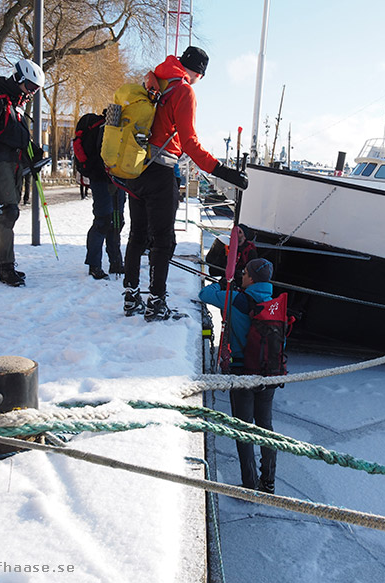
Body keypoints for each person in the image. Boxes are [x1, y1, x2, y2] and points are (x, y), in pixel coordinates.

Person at [122, 46, 249, 321]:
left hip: (136, 167)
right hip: (160, 171)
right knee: (163, 241)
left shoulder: (156, 77)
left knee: (137, 235)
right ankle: (156, 303)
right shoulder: (183, 90)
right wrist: (222, 171)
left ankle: (131, 297)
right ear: (199, 72)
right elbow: (189, 142)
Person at [199, 258, 277, 493]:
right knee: (265, 426)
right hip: (269, 373)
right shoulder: (274, 302)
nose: (242, 276)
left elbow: (205, 293)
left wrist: (224, 283)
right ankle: (269, 481)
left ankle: (250, 484)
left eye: (244, 273)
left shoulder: (237, 299)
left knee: (243, 429)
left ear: (250, 278)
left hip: (242, 372)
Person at [0, 58, 44, 287]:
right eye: (31, 87)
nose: (33, 92)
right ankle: (6, 269)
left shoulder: (16, 103)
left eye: (36, 89)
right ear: (20, 79)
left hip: (14, 163)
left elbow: (18, 136)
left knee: (0, 214)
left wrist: (34, 153)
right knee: (8, 213)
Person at [74, 112, 126, 280]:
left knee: (115, 220)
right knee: (104, 221)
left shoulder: (115, 127)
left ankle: (115, 261)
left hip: (115, 178)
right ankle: (95, 265)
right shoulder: (104, 128)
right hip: (103, 178)